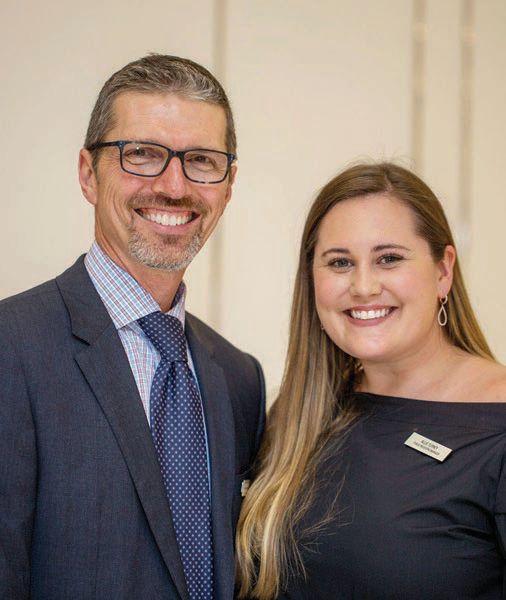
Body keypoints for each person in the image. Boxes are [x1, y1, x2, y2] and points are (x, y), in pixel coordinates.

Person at [0, 54, 265, 600]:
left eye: (201, 160)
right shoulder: (12, 348)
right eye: (141, 154)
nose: (174, 186)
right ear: (87, 174)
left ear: (229, 185)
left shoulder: (240, 378)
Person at [236, 162, 506, 599]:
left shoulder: (497, 426)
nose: (363, 286)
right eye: (340, 262)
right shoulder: (297, 417)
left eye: (389, 259)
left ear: (443, 271)